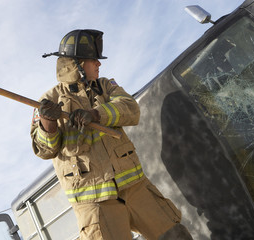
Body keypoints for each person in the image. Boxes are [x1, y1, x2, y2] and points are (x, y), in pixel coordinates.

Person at [31, 29, 193, 240]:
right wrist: (47, 123)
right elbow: (43, 150)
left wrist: (96, 114)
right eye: (93, 60)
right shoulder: (48, 100)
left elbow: (131, 109)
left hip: (136, 189)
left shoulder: (106, 86)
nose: (99, 64)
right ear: (77, 65)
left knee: (176, 236)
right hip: (95, 204)